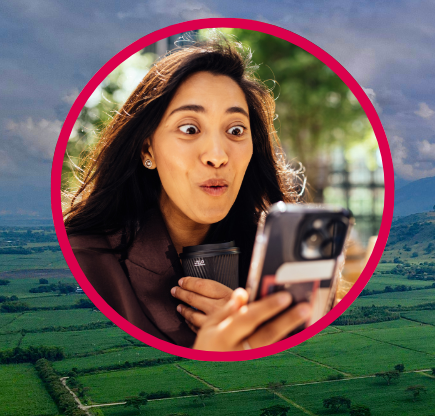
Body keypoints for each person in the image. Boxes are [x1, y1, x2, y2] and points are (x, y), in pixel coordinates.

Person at [65, 38, 311, 351]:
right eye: (190, 129)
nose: (217, 156)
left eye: (236, 130)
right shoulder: (84, 264)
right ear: (147, 149)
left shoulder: (286, 268)